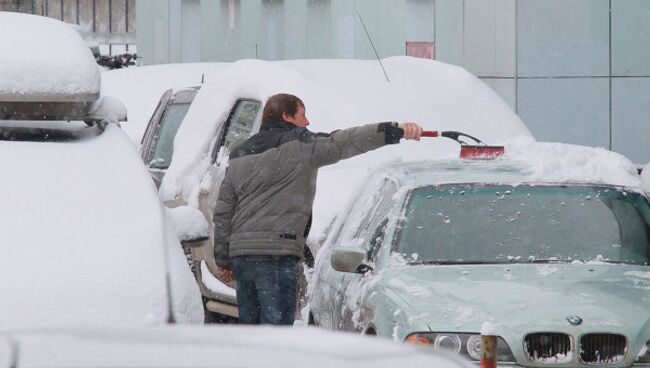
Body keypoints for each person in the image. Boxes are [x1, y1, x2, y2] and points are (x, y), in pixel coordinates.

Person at [213, 93, 423, 325]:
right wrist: (393, 131)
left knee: (250, 330)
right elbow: (344, 141)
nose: (308, 122)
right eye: (302, 115)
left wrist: (223, 258)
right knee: (275, 332)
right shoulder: (301, 146)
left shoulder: (240, 154)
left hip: (243, 256)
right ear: (287, 116)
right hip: (276, 253)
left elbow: (224, 211)